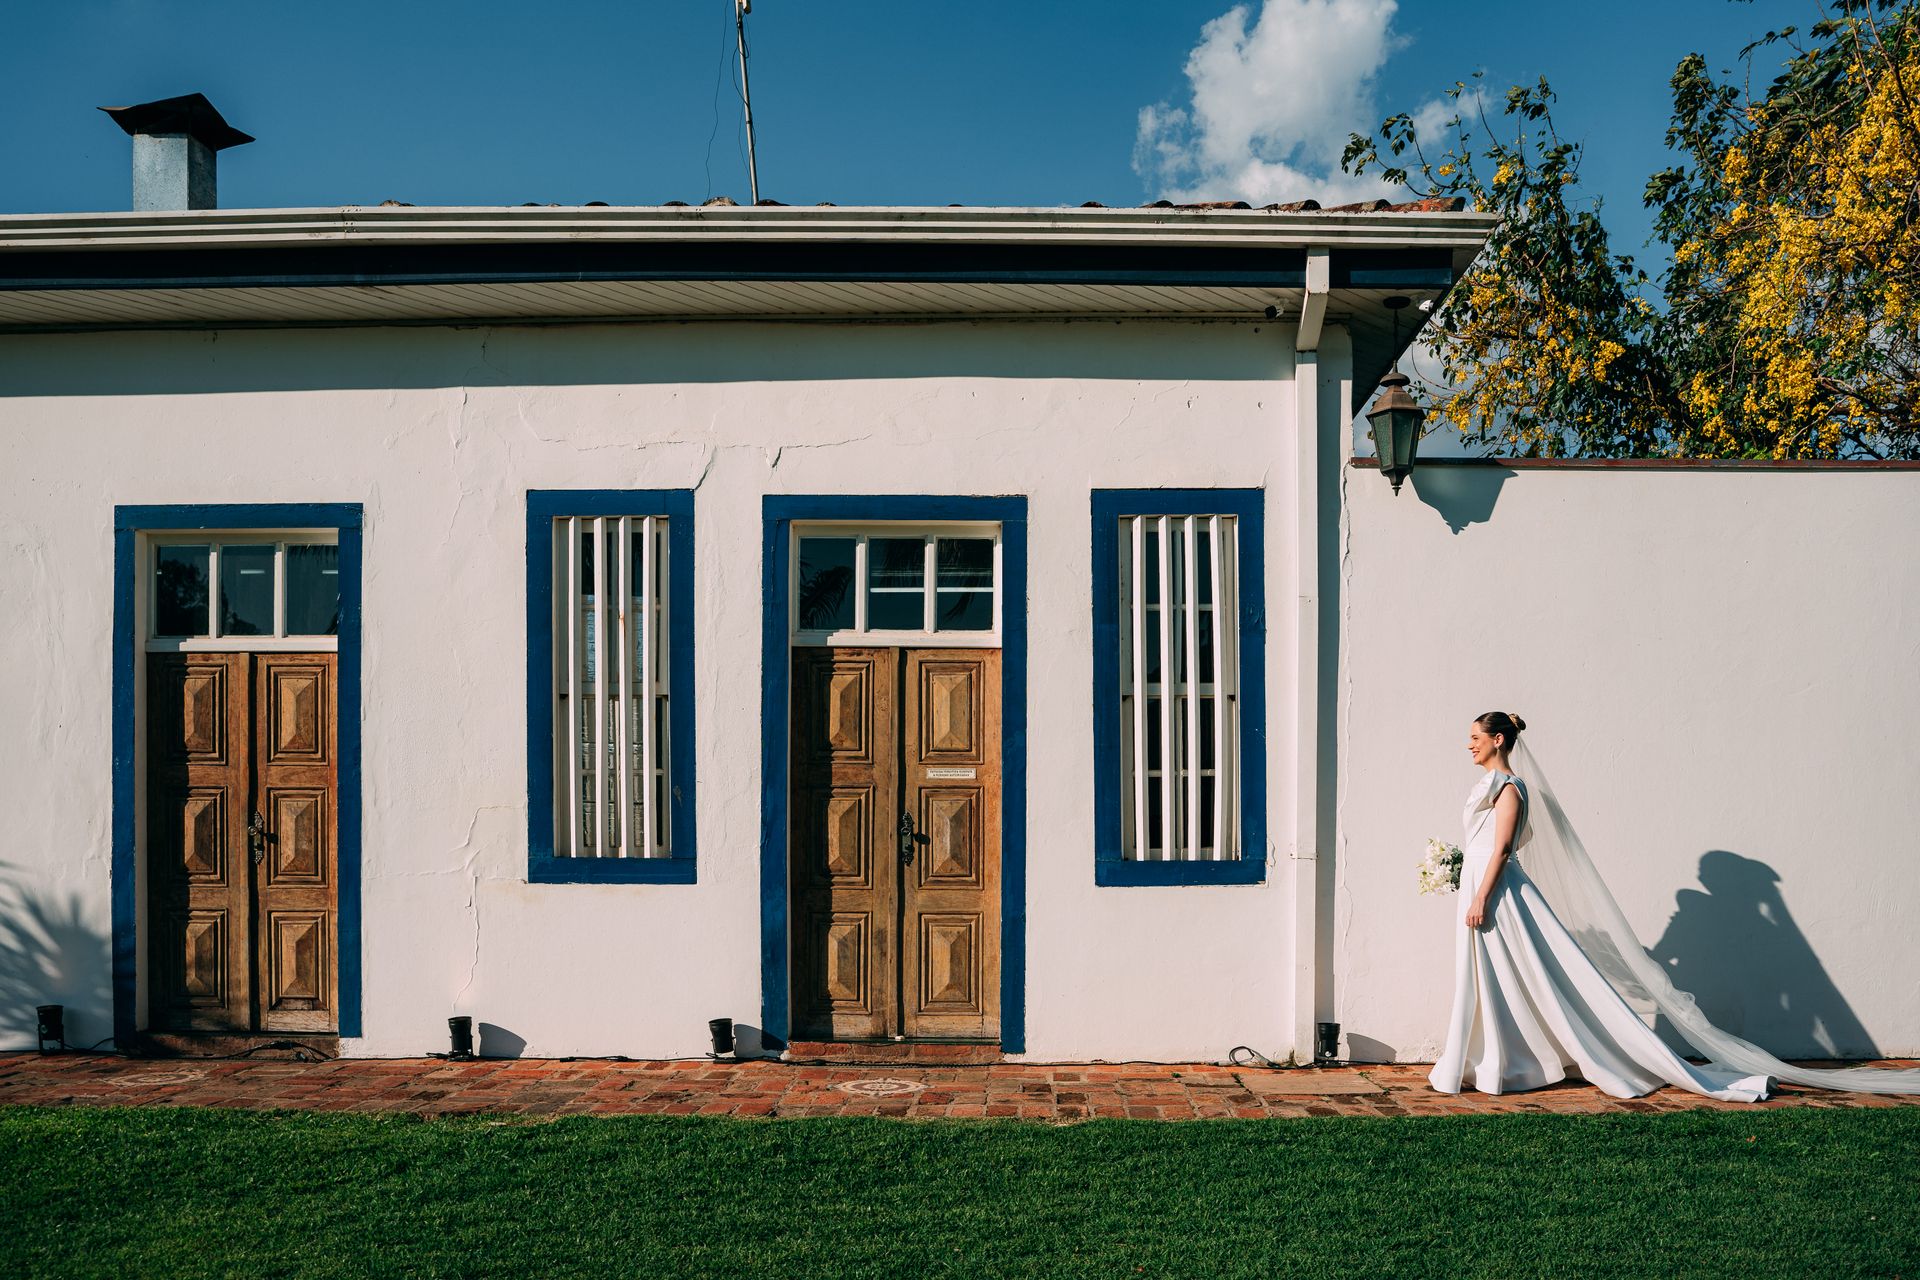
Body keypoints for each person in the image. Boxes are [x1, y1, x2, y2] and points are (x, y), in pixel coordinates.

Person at [1430, 711, 1920, 1100]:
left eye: (1476, 736)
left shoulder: (1511, 789)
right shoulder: (1486, 787)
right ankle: (1498, 1061)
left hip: (1497, 893)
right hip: (1483, 888)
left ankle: (1516, 1064)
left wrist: (1480, 895)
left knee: (1525, 973)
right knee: (1490, 974)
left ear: (1499, 739)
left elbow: (1499, 849)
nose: (1468, 744)